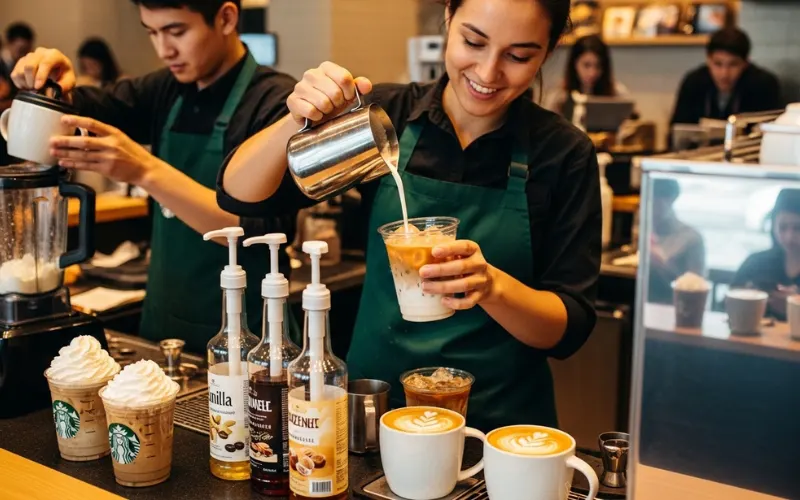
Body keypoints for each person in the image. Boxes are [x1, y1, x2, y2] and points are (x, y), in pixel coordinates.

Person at [218, 0, 602, 431]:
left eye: (518, 56)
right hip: (373, 414)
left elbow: (569, 327)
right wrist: (296, 118)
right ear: (447, 18)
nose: (489, 72)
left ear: (548, 52)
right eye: (473, 41)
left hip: (498, 428)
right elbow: (242, 196)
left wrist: (491, 286)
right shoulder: (387, 118)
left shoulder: (563, 153)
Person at [10, 0, 298, 353]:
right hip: (161, 329)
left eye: (177, 31)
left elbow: (264, 229)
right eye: (152, 33)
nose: (165, 50)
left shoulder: (276, 101)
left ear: (225, 18)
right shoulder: (167, 89)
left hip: (250, 342)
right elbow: (89, 108)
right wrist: (56, 86)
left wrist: (144, 170)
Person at [670, 27, 782, 126]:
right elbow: (677, 130)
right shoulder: (694, 82)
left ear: (745, 63)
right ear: (708, 60)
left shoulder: (763, 85)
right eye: (718, 64)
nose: (724, 74)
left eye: (733, 64)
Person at [732, 188, 800, 320]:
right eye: (782, 227)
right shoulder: (756, 263)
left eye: (798, 228)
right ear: (773, 226)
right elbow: (727, 304)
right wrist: (749, 298)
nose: (789, 237)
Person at [543, 34, 630, 120]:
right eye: (586, 65)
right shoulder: (558, 94)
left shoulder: (617, 93)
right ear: (574, 64)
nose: (592, 73)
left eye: (598, 66)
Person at [646, 179, 706, 304]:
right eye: (652, 199)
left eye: (661, 199)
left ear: (672, 199)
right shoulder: (642, 230)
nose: (656, 205)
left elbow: (696, 288)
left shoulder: (690, 237)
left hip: (673, 308)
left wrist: (662, 265)